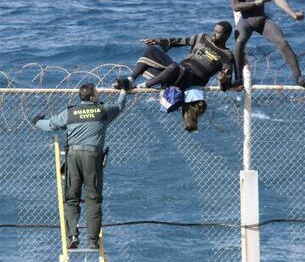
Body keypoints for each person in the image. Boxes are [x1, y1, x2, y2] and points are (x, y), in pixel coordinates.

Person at [32, 83, 127, 249]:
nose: (99, 94)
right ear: (92, 97)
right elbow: (120, 106)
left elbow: (50, 125)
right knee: (93, 198)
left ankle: (73, 236)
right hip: (92, 156)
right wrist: (124, 90)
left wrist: (37, 121)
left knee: (71, 198)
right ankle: (92, 240)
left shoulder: (71, 112)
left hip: (73, 156)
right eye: (97, 93)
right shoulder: (103, 111)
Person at [115, 21, 234, 131]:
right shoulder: (202, 38)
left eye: (217, 32)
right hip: (178, 72)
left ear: (226, 35)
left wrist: (224, 79)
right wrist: (158, 41)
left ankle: (143, 85)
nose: (213, 33)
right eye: (214, 30)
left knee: (175, 68)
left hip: (191, 79)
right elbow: (180, 41)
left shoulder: (227, 56)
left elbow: (225, 87)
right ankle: (131, 80)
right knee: (152, 51)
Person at [229, 0, 305, 88]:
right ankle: (239, 80)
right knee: (238, 44)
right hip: (245, 21)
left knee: (282, 42)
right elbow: (235, 6)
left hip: (262, 20)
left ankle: (299, 77)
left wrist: (293, 14)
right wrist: (257, 2)